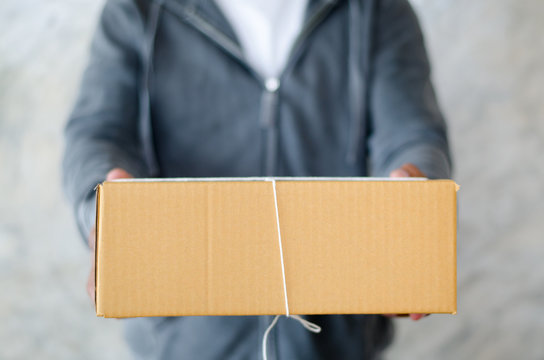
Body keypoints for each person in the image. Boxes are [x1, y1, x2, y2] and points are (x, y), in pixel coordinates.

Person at [63, 0, 451, 358]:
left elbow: (412, 136)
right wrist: (105, 213)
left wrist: (415, 198)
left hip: (334, 343)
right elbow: (96, 135)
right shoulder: (136, 9)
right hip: (183, 342)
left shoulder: (377, 9)